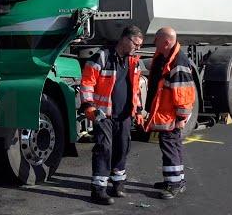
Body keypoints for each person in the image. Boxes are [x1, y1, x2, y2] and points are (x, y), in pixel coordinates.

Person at [80, 25, 145, 205]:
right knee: (104, 148)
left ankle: (118, 183)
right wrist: (89, 106)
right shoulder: (102, 57)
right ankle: (98, 189)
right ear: (125, 39)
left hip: (124, 114)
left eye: (139, 45)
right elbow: (87, 83)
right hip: (103, 114)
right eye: (136, 44)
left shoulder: (134, 62)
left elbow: (135, 90)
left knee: (122, 147)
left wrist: (138, 110)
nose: (137, 48)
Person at [144, 27, 196, 199]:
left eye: (157, 39)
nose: (154, 42)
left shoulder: (178, 63)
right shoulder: (167, 58)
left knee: (170, 146)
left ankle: (173, 185)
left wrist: (181, 117)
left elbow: (184, 93)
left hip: (171, 115)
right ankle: (175, 180)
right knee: (172, 145)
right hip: (166, 113)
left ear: (166, 42)